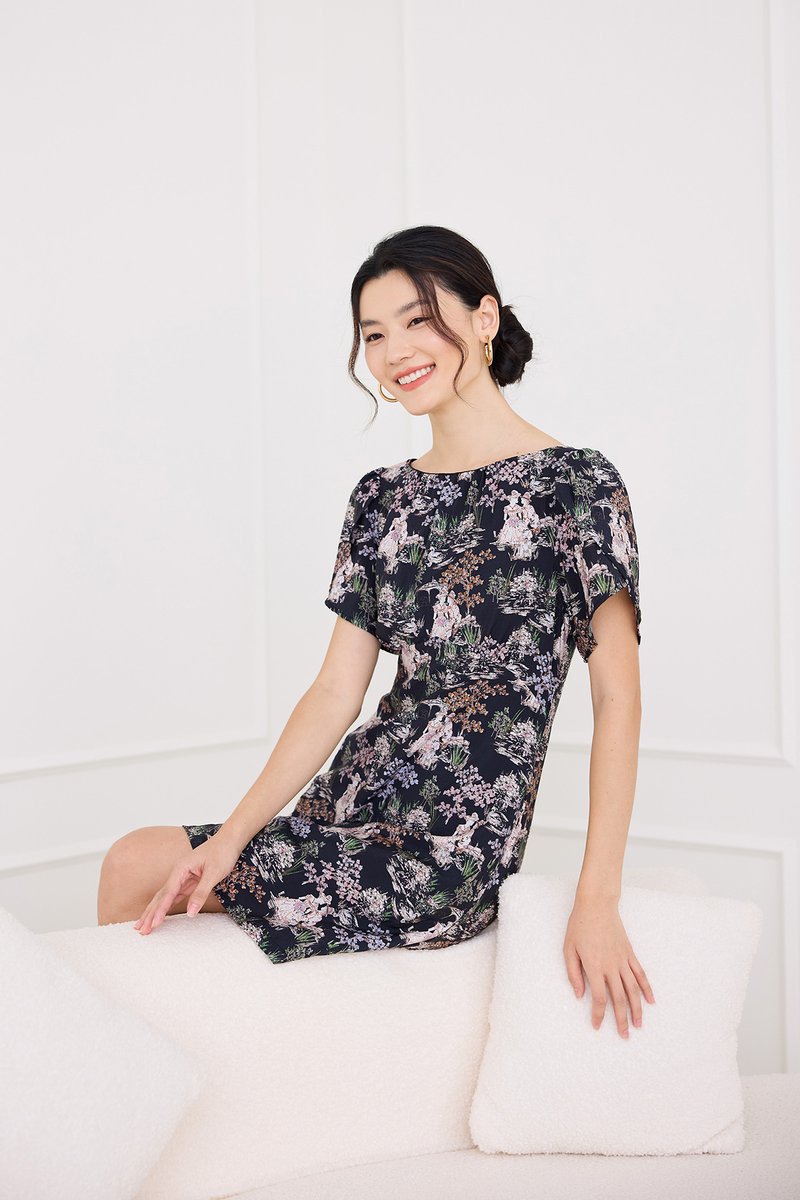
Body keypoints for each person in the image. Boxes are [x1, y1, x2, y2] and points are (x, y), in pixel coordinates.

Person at [97, 224, 654, 1040]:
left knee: (137, 861)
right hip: (355, 799)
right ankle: (140, 1078)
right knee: (135, 861)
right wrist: (234, 836)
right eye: (375, 334)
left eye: (418, 319)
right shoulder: (381, 499)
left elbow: (618, 699)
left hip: (449, 852)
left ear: (485, 318)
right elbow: (335, 692)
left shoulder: (578, 486)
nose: (396, 351)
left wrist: (597, 899)